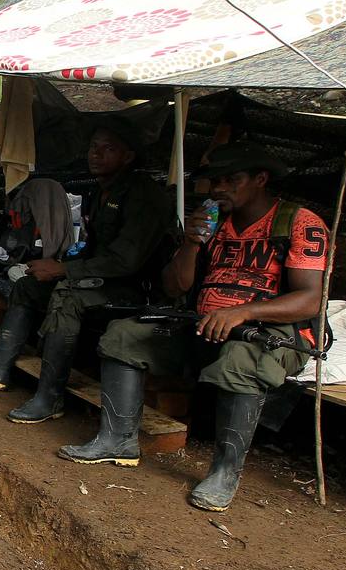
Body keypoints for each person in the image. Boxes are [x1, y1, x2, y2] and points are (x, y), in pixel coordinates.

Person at [59, 143, 327, 512]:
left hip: (268, 334)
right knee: (124, 336)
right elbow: (175, 287)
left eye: (232, 180)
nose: (219, 188)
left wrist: (244, 313)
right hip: (205, 325)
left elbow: (311, 299)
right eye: (215, 180)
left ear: (260, 179)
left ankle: (224, 473)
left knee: (239, 359)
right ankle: (117, 440)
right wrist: (191, 244)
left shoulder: (298, 223)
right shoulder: (213, 223)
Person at [0, 121, 171, 424]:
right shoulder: (102, 191)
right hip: (101, 278)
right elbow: (92, 250)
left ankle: (50, 397)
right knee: (28, 285)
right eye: (93, 147)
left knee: (66, 297)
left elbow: (126, 262)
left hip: (136, 289)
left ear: (128, 157)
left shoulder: (143, 196)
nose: (95, 154)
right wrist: (58, 264)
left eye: (108, 148)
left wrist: (63, 270)